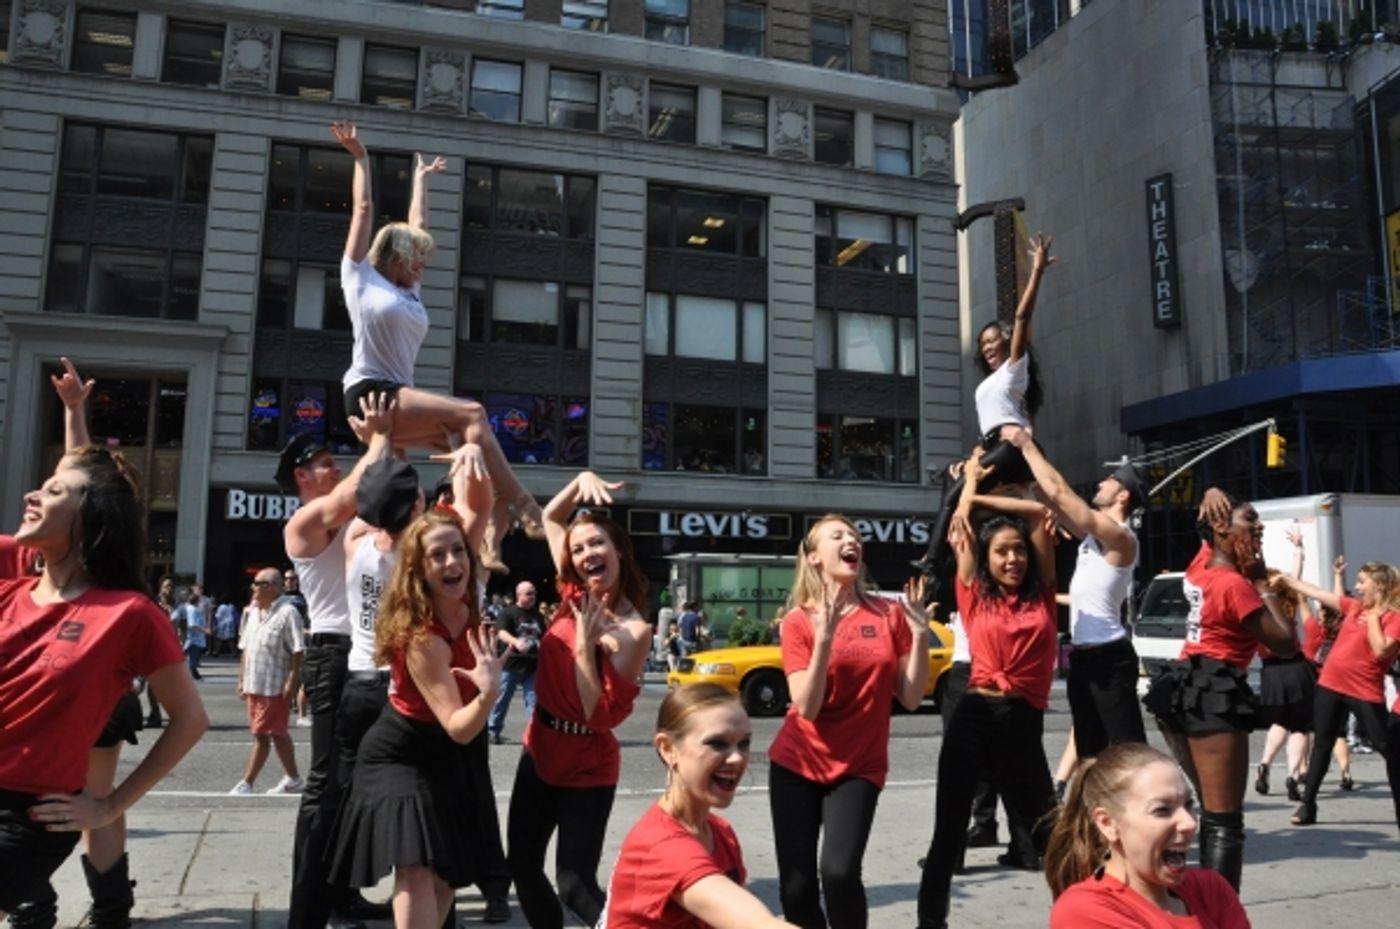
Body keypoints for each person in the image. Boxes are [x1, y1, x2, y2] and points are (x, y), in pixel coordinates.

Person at [0, 445, 209, 923]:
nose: (31, 496)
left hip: (27, 816)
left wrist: (109, 806)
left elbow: (191, 719)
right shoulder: (8, 593)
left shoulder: (129, 614)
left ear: (92, 515)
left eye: (54, 490)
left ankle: (111, 906)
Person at [329, 119, 542, 567]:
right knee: (473, 413)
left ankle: (485, 534)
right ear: (398, 256)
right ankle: (524, 503)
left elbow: (418, 222)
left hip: (397, 396)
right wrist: (361, 157)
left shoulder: (409, 291)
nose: (424, 266)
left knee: (467, 441)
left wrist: (422, 180)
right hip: (371, 391)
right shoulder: (360, 278)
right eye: (418, 258)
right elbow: (363, 209)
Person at [328, 509, 503, 929]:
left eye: (458, 551)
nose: (452, 562)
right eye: (437, 555)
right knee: (416, 867)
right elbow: (459, 727)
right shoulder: (423, 637)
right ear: (418, 569)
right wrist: (489, 693)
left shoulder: (471, 607)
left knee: (448, 874)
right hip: (399, 755)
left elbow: (485, 505)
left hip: (444, 757)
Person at [916, 451, 1058, 929]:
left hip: (1022, 725)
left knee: (1053, 839)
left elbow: (1037, 513)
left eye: (1019, 551)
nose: (1013, 559)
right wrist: (970, 489)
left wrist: (978, 497)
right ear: (986, 557)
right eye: (1001, 552)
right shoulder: (972, 592)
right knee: (947, 835)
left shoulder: (1043, 593)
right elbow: (964, 523)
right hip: (974, 717)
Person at [507, 471, 653, 929]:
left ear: (618, 550)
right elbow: (552, 517)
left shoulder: (633, 631)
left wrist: (586, 647)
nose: (587, 552)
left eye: (597, 543)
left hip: (588, 761)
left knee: (574, 884)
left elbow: (597, 715)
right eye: (578, 548)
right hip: (540, 746)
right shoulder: (574, 590)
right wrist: (581, 479)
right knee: (522, 865)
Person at [769, 515, 930, 929]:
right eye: (837, 536)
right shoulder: (798, 621)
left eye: (855, 535)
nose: (851, 540)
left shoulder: (887, 613)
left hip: (859, 766)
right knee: (797, 888)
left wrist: (920, 636)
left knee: (839, 873)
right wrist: (824, 638)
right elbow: (806, 707)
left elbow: (911, 698)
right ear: (814, 557)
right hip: (797, 764)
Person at [1142, 491, 1298, 890]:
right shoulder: (1234, 585)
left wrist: (1211, 492)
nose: (1259, 526)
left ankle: (1200, 899)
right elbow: (1286, 643)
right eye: (1251, 519)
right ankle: (1220, 909)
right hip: (1214, 692)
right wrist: (1262, 582)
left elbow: (1208, 524)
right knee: (1225, 819)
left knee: (1210, 811)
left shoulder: (1202, 567)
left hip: (1182, 686)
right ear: (1221, 527)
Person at [283, 392, 396, 929]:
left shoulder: (349, 517)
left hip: (365, 654)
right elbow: (354, 491)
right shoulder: (305, 520)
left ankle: (343, 893)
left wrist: (387, 438)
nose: (336, 469)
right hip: (332, 654)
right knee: (326, 786)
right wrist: (380, 434)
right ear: (302, 476)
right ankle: (306, 909)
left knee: (355, 784)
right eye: (326, 463)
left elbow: (375, 487)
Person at [915, 234, 1054, 598]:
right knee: (951, 478)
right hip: (994, 446)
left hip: (1014, 448)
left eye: (995, 341)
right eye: (984, 344)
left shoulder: (1015, 369)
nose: (989, 347)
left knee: (958, 495)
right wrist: (975, 454)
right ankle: (947, 566)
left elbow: (1022, 316)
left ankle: (932, 564)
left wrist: (1037, 271)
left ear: (1008, 342)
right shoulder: (989, 383)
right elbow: (988, 426)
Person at [599, 683, 797, 929]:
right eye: (717, 743)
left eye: (744, 743)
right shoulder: (660, 846)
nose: (737, 757)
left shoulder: (721, 832)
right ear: (668, 748)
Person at [1008, 429, 1148, 758]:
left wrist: (1027, 445)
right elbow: (1050, 501)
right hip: (1083, 656)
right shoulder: (1092, 537)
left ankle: (1147, 791)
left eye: (1110, 480)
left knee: (1129, 751)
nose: (1101, 483)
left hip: (1110, 657)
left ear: (1123, 495)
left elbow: (1061, 493)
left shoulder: (1121, 537)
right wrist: (1026, 481)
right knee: (1089, 751)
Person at [1044, 743, 1250, 929]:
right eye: (1162, 810)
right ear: (1107, 823)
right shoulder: (1085, 911)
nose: (1190, 823)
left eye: (1188, 805)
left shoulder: (1211, 890)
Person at [1275, 557, 1400, 827]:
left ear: (1379, 585)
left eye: (1362, 582)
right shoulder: (1354, 607)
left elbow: (1381, 651)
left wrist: (1374, 618)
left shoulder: (1394, 617)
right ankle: (1308, 805)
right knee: (1323, 742)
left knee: (1388, 747)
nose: (1358, 587)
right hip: (1330, 684)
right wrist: (1287, 580)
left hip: (1365, 690)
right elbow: (1318, 593)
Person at [1253, 527, 1316, 803]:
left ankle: (1265, 763)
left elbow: (1257, 574)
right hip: (1296, 667)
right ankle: (1292, 774)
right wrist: (1299, 548)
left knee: (1279, 721)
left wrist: (1257, 550)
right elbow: (1295, 576)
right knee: (1300, 725)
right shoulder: (1287, 605)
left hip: (1271, 670)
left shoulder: (1255, 607)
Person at [230, 568, 306, 795]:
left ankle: (247, 782)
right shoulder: (253, 612)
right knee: (276, 733)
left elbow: (298, 649)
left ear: (271, 587)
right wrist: (241, 678)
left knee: (262, 734)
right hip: (254, 683)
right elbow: (245, 648)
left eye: (257, 583)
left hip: (274, 685)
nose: (253, 588)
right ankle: (293, 778)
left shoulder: (288, 612)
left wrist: (292, 680)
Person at [488, 580, 544, 745]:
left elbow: (544, 636)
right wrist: (516, 642)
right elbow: (501, 632)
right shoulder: (508, 612)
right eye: (529, 593)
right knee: (501, 699)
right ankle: (493, 731)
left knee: (533, 701)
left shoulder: (538, 615)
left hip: (532, 666)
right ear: (519, 595)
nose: (533, 596)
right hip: (511, 664)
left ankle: (534, 735)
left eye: (534, 593)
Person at [173, 589, 211, 681]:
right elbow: (192, 624)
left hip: (193, 638)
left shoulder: (190, 609)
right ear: (197, 601)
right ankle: (190, 673)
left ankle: (192, 672)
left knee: (191, 658)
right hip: (193, 639)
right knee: (192, 658)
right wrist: (204, 630)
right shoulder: (193, 610)